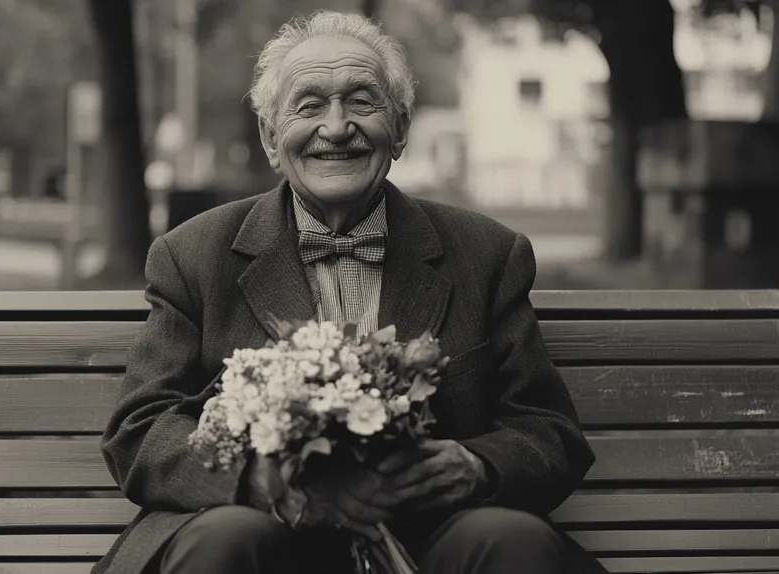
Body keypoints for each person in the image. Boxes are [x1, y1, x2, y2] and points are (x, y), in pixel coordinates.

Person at [94, 10, 605, 574]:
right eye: (309, 106)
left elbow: (548, 431)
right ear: (270, 138)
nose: (336, 128)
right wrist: (260, 480)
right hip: (263, 527)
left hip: (431, 534)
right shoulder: (193, 254)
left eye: (362, 102)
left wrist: (472, 466)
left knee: (510, 540)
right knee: (223, 539)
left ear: (401, 128)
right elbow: (141, 429)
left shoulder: (486, 254)